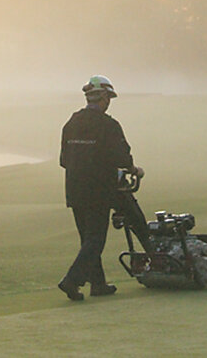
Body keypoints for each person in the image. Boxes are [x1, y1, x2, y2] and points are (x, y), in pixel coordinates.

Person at [58, 75, 152, 301]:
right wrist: (134, 169)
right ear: (103, 99)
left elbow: (63, 160)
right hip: (99, 190)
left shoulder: (71, 123)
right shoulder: (109, 125)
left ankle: (98, 284)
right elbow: (122, 157)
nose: (108, 102)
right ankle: (72, 280)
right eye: (108, 97)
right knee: (96, 239)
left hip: (74, 188)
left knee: (87, 239)